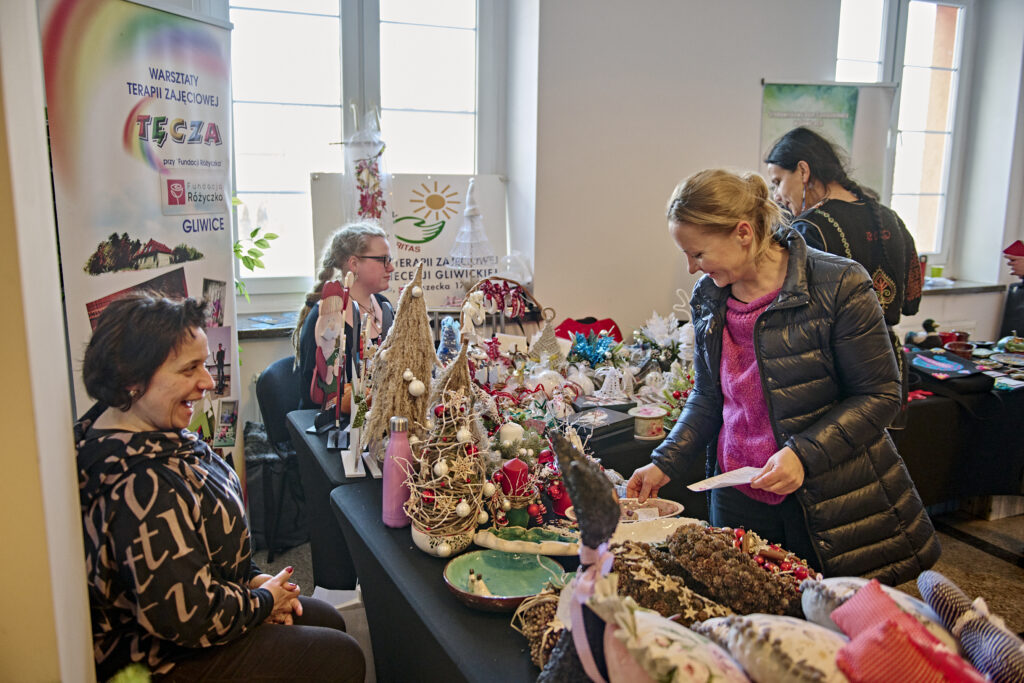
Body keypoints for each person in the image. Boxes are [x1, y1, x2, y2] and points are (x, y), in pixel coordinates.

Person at [626, 169, 939, 585]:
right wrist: (664, 461)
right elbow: (708, 397)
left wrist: (802, 454)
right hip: (736, 494)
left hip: (823, 500)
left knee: (820, 628)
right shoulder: (709, 296)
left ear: (742, 233)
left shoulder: (840, 284)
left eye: (698, 254)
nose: (690, 269)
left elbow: (880, 396)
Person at [76, 294, 364, 682]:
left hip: (214, 604)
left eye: (205, 363)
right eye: (189, 368)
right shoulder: (139, 485)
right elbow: (188, 617)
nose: (209, 381)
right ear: (132, 380)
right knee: (339, 657)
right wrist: (263, 601)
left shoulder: (148, 427)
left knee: (327, 619)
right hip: (161, 658)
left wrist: (252, 578)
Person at [765, 127, 923, 426]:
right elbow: (911, 300)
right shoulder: (890, 217)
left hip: (836, 382)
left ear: (802, 170)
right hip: (888, 373)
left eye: (778, 181)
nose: (777, 195)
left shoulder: (809, 230)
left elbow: (792, 320)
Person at [294, 221, 396, 409]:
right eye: (383, 260)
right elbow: (318, 397)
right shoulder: (325, 316)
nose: (390, 268)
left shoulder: (384, 305)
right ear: (354, 264)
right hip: (333, 431)